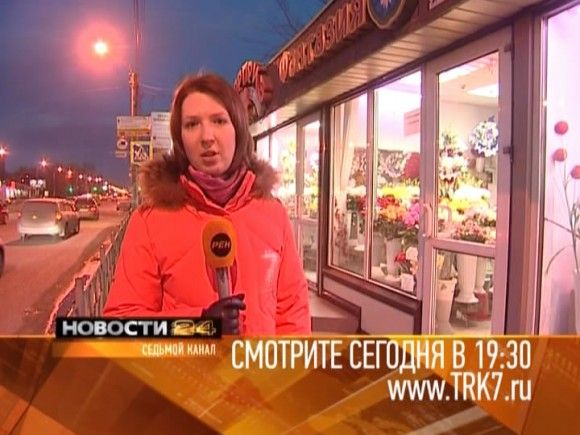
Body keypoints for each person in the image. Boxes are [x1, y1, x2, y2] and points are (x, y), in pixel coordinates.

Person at [103, 73, 311, 335]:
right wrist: (198, 325)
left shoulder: (273, 213)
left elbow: (292, 313)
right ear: (180, 139)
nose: (207, 136)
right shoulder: (149, 222)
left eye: (219, 120)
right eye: (192, 124)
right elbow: (122, 324)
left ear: (238, 129)